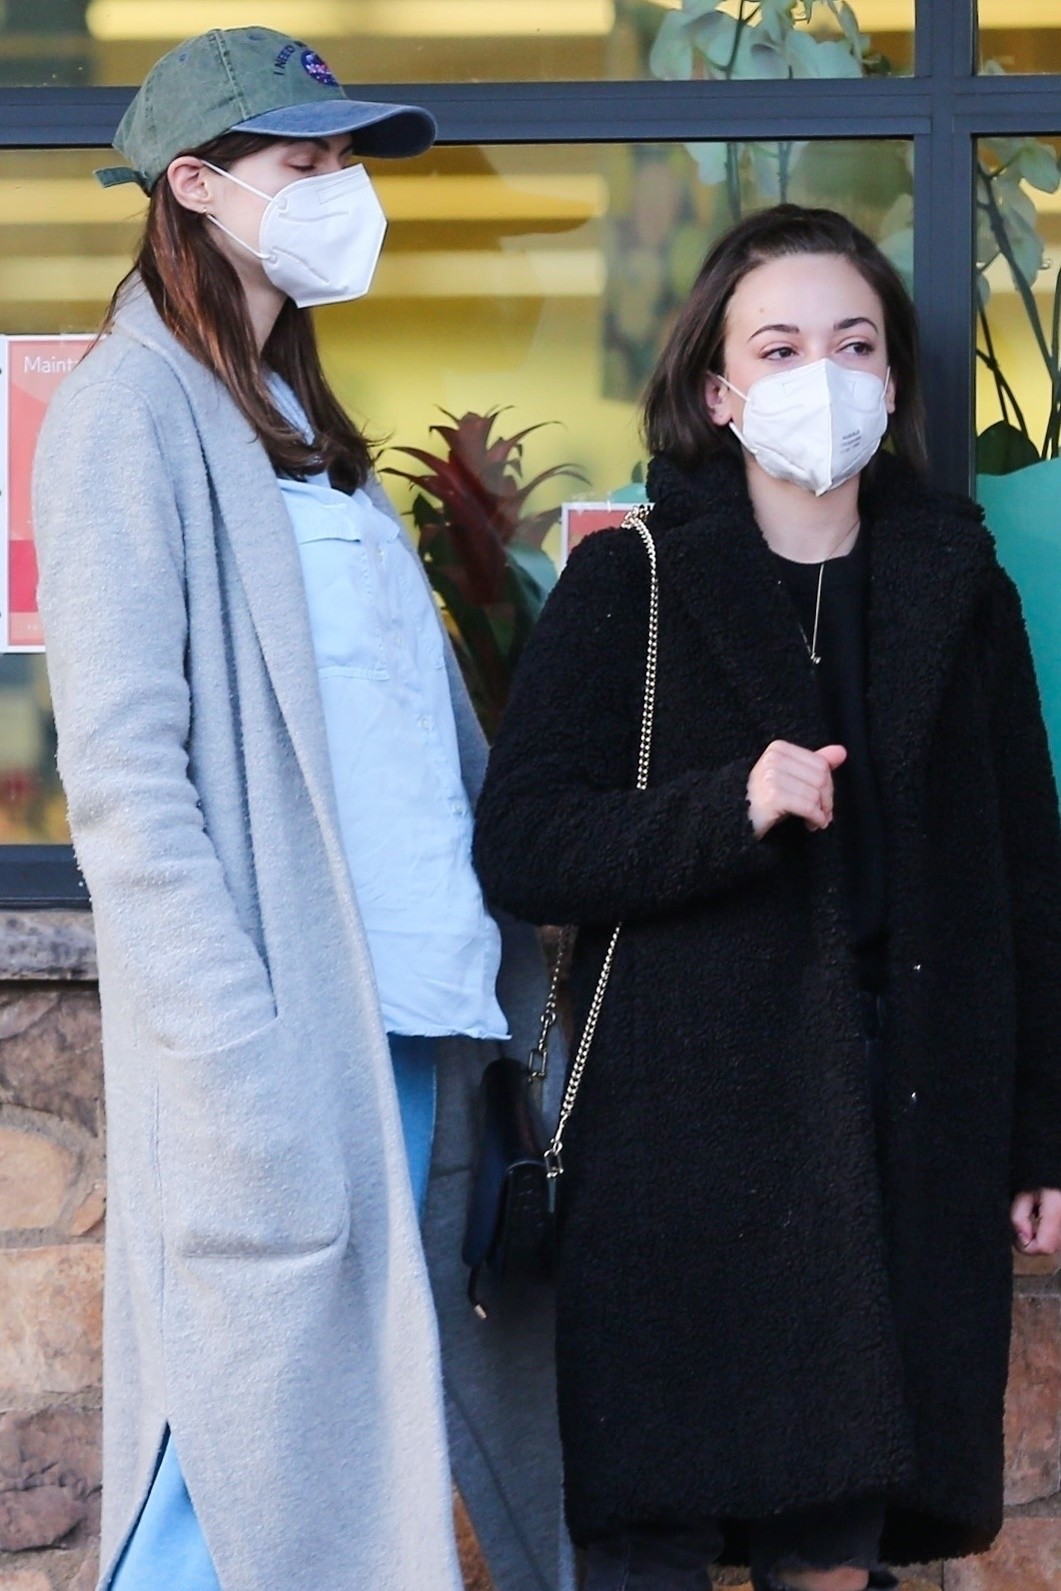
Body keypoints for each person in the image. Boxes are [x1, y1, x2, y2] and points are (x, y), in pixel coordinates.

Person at [32, 26, 561, 1591]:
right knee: (245, 1452)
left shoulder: (297, 429)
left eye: (345, 161)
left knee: (319, 1448)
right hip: (285, 1036)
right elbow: (126, 781)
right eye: (303, 163)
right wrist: (236, 1064)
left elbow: (407, 740)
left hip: (407, 1007)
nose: (340, 191)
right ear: (193, 186)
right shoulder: (127, 410)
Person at [472, 203, 1061, 1591]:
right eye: (782, 344)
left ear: (895, 384)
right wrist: (726, 807)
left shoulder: (957, 590)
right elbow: (527, 843)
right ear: (718, 390)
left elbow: (1023, 878)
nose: (825, 373)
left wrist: (1036, 1132)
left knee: (839, 1531)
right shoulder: (634, 581)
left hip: (902, 1128)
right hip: (682, 1153)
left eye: (855, 344)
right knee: (656, 1533)